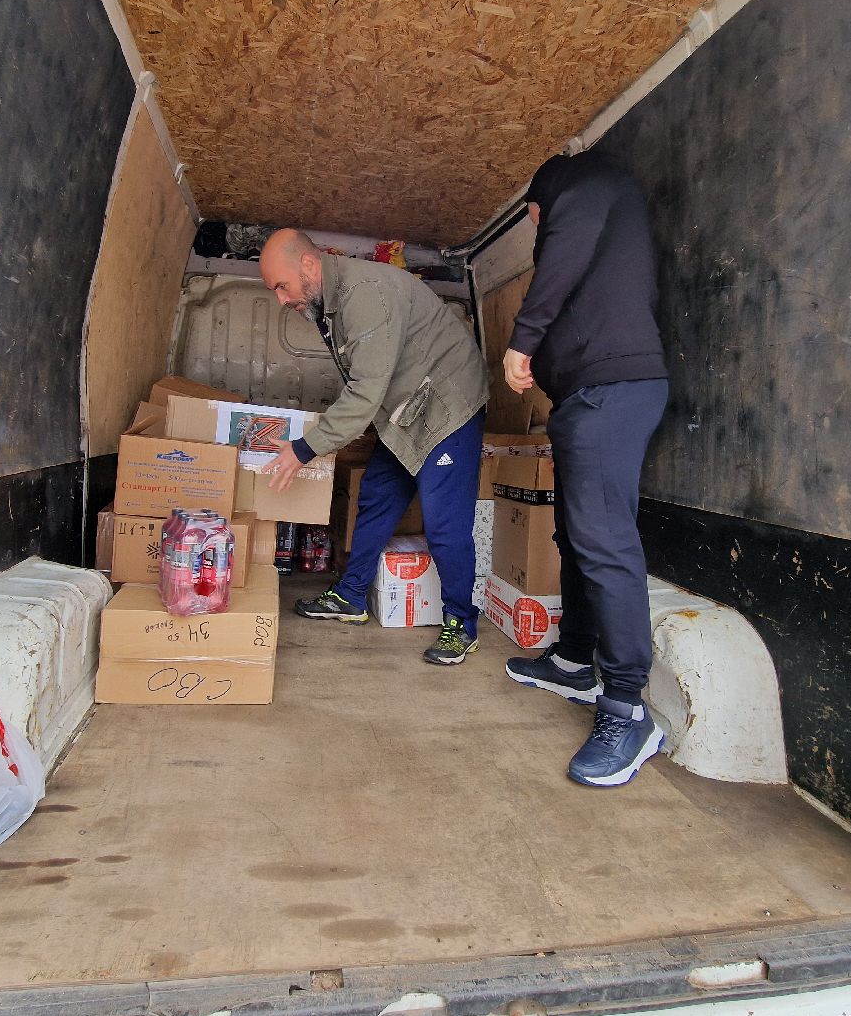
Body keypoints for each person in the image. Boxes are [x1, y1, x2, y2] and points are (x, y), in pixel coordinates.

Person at [501, 152, 669, 788]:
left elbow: (564, 249)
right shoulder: (590, 202)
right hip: (588, 398)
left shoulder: (590, 182)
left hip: (615, 393)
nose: (540, 226)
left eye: (537, 217)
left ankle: (627, 708)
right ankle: (574, 659)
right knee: (574, 537)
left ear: (543, 198)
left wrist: (525, 337)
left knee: (605, 543)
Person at [258, 229, 489, 665]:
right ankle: (351, 596)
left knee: (445, 524)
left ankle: (462, 622)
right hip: (406, 409)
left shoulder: (366, 293)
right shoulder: (330, 302)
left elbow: (365, 393)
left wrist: (304, 448)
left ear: (308, 265)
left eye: (281, 286)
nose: (282, 300)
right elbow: (370, 381)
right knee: (380, 494)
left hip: (447, 407)